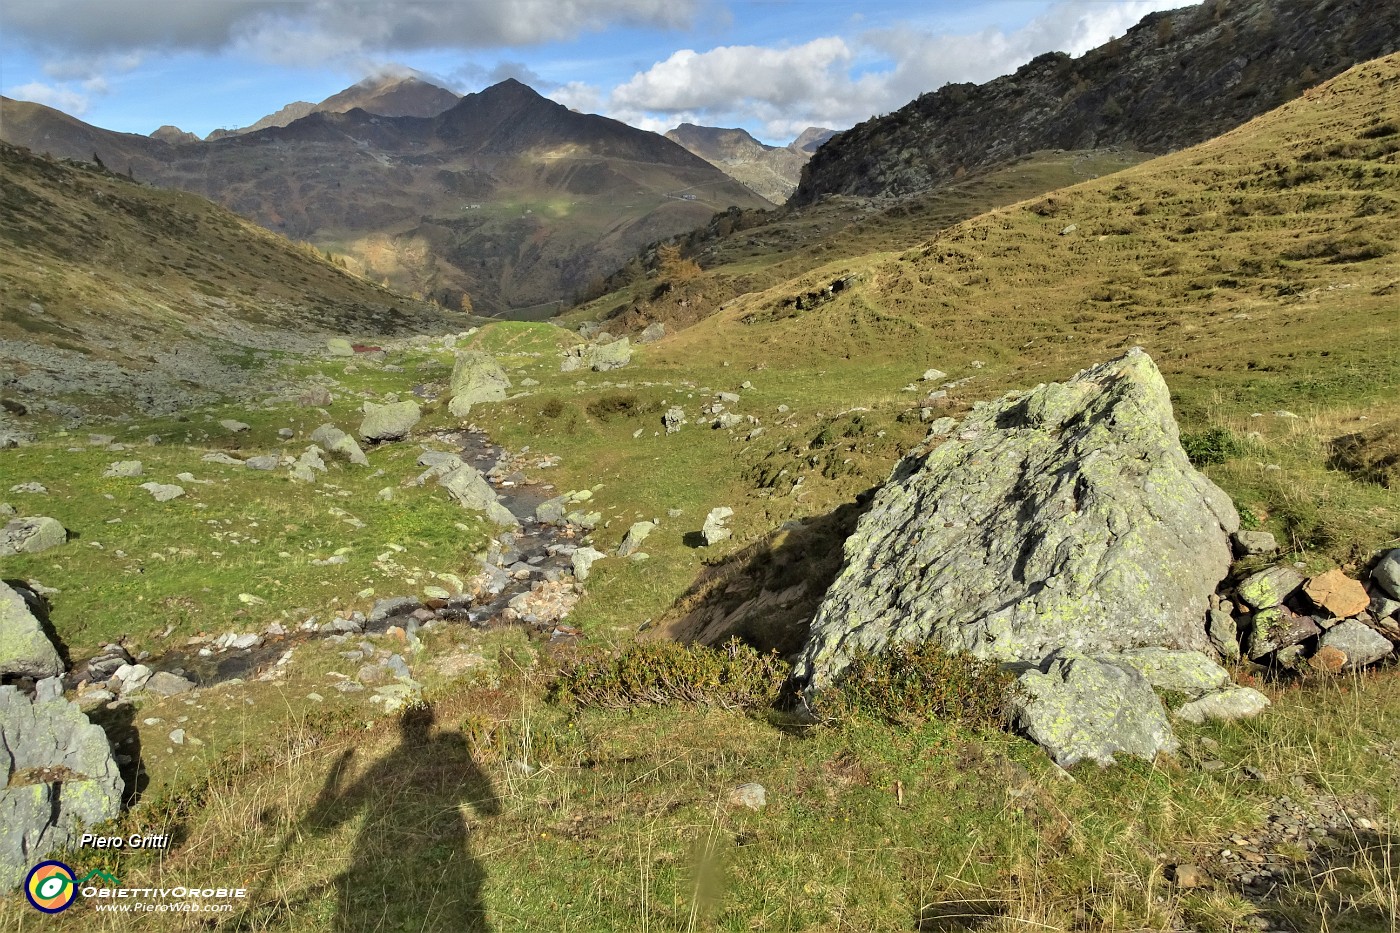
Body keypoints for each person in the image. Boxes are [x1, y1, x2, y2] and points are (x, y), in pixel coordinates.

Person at [307, 703, 501, 931]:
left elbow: (328, 822)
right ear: (431, 725)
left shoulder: (382, 766)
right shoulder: (445, 756)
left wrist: (325, 805)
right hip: (442, 856)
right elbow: (491, 809)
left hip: (383, 863)